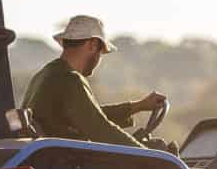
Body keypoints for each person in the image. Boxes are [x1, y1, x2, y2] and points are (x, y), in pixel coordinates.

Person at [20, 15, 169, 149]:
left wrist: (137, 106)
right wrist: (150, 157)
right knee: (158, 150)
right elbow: (101, 130)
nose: (99, 59)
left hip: (55, 161)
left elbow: (89, 115)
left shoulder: (46, 74)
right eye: (101, 53)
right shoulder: (70, 79)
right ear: (92, 45)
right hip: (69, 166)